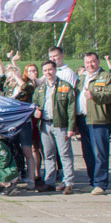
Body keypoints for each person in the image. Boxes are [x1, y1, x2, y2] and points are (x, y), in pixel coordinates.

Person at [33, 60, 76, 194]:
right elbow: (34, 104)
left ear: (55, 70)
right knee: (48, 155)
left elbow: (71, 108)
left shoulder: (65, 86)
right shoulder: (40, 89)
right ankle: (49, 182)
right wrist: (35, 111)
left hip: (60, 124)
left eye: (50, 69)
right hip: (45, 125)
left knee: (65, 154)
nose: (48, 73)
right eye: (45, 70)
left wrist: (71, 128)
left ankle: (69, 182)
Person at [76, 52, 111, 194]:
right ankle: (92, 181)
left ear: (98, 61)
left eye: (93, 62)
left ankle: (100, 183)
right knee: (88, 153)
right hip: (83, 119)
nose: (90, 65)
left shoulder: (106, 77)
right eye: (87, 62)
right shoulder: (81, 78)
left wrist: (95, 96)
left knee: (100, 152)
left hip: (99, 119)